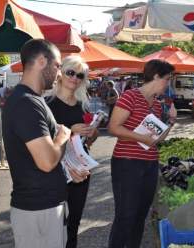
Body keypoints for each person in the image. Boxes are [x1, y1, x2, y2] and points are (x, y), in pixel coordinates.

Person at [2, 39, 71, 248]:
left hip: (45, 208)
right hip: (38, 211)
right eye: (58, 66)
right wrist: (62, 136)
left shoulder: (34, 99)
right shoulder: (26, 103)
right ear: (42, 61)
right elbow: (47, 161)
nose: (60, 73)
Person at [107, 59, 176, 248]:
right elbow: (113, 127)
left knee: (140, 216)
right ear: (155, 76)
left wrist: (171, 121)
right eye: (167, 79)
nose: (168, 84)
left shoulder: (155, 104)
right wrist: (141, 138)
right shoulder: (130, 96)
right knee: (126, 216)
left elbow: (157, 139)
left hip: (150, 164)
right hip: (127, 163)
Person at [47, 55, 98, 248]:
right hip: (56, 170)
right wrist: (70, 129)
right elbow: (42, 140)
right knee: (54, 223)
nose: (74, 78)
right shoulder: (46, 104)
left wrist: (92, 133)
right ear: (60, 73)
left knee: (74, 223)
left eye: (80, 75)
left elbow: (87, 142)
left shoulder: (81, 105)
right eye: (70, 72)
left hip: (80, 168)